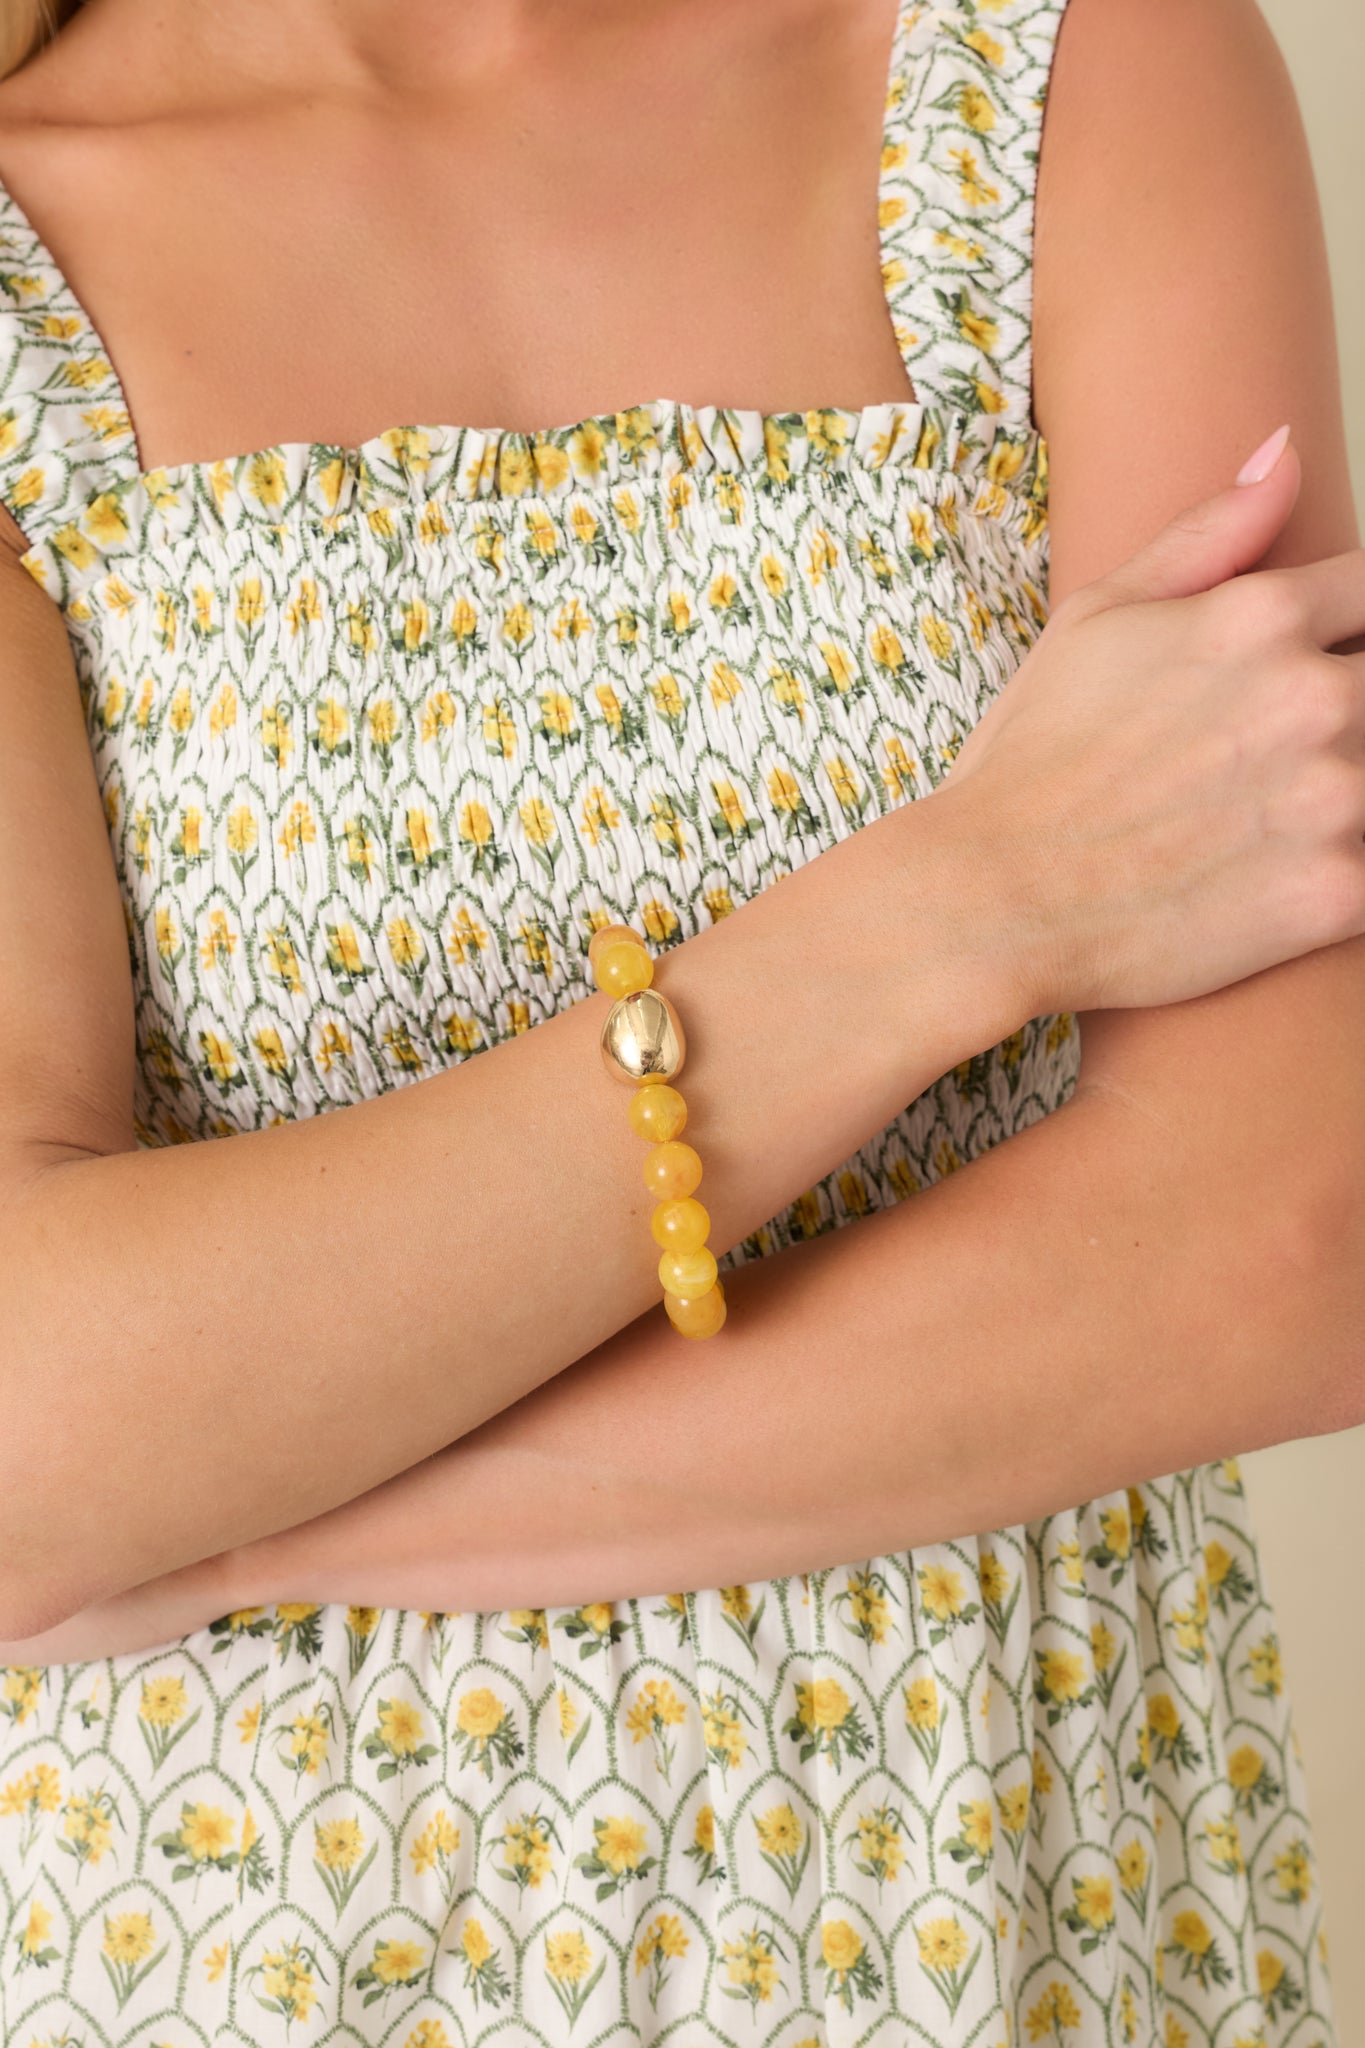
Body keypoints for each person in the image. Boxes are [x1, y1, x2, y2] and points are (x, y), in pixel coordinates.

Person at [0, 0, 1361, 2039]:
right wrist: (956, 908)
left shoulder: (1066, 66)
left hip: (1014, 1910)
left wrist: (239, 1520)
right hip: (249, 1946)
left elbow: (1278, 1244)